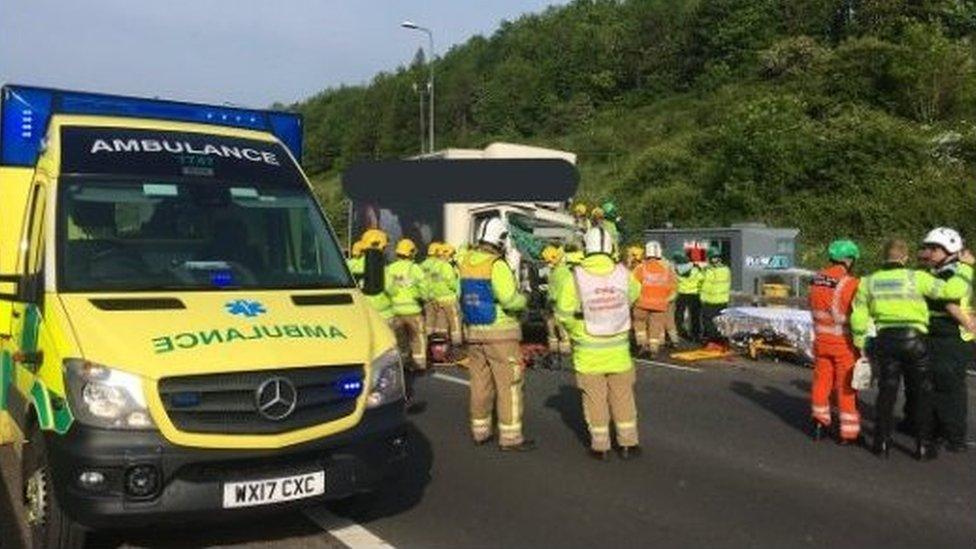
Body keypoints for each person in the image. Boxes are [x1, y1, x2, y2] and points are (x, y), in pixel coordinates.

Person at [850, 239, 972, 459]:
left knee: (887, 392)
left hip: (885, 340)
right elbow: (952, 290)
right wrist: (965, 267)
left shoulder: (868, 282)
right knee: (923, 392)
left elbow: (858, 315)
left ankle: (881, 443)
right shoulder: (916, 277)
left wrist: (860, 342)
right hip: (914, 341)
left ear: (883, 257)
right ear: (905, 258)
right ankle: (923, 446)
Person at [556, 226, 641, 460]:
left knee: (595, 401)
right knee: (623, 397)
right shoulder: (623, 273)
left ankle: (601, 446)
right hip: (619, 351)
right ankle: (628, 444)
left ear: (586, 247)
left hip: (588, 353)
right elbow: (634, 293)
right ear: (610, 247)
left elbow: (563, 314)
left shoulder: (575, 276)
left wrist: (578, 331)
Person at [459, 217, 533, 451]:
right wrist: (525, 299)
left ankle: (480, 431)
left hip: (474, 332)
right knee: (509, 385)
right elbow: (509, 299)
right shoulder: (496, 265)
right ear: (500, 239)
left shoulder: (466, 262)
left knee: (480, 383)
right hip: (501, 333)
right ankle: (510, 437)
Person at [919, 228, 975, 453]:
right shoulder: (952, 271)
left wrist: (968, 322)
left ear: (949, 249)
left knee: (947, 389)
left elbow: (950, 302)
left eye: (934, 249)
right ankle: (942, 433)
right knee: (942, 387)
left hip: (947, 337)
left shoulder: (948, 273)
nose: (929, 253)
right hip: (946, 337)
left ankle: (952, 437)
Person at [808, 239, 862, 445]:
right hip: (843, 343)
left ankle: (819, 423)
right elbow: (858, 314)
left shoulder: (816, 279)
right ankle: (848, 433)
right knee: (846, 387)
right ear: (848, 260)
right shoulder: (850, 283)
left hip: (821, 340)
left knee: (821, 383)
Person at [385, 238, 429, 371]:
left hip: (395, 311)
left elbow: (387, 288)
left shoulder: (390, 269)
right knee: (418, 339)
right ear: (411, 253)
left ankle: (403, 363)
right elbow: (424, 287)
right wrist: (423, 298)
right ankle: (419, 364)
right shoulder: (415, 268)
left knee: (400, 340)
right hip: (413, 311)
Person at [631, 241, 677, 357]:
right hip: (660, 305)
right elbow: (673, 289)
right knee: (655, 326)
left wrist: (632, 301)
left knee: (639, 323)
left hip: (641, 303)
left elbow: (632, 286)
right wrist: (666, 300)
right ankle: (654, 348)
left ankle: (642, 344)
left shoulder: (640, 268)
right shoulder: (667, 270)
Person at [427, 242, 464, 347]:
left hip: (437, 299)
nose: (453, 257)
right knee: (455, 324)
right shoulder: (446, 266)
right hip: (449, 299)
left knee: (441, 325)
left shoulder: (434, 266)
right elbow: (452, 283)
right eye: (452, 255)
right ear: (448, 255)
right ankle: (457, 346)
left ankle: (440, 348)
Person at [541, 245, 572, 356]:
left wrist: (549, 302)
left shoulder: (555, 274)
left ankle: (553, 345)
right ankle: (565, 346)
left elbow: (552, 293)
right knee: (563, 325)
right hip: (568, 302)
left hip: (556, 301)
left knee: (550, 320)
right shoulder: (566, 271)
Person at [700, 247, 732, 350]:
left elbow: (706, 284)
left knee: (708, 322)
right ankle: (724, 342)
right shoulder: (726, 269)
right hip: (723, 300)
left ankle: (713, 342)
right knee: (721, 322)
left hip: (711, 300)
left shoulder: (710, 271)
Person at [360, 229, 393, 321]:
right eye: (385, 247)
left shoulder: (350, 265)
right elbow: (391, 289)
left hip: (361, 312)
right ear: (380, 246)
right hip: (383, 314)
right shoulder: (382, 266)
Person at [673, 250, 703, 343]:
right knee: (695, 316)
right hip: (694, 294)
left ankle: (681, 332)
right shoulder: (695, 269)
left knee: (679, 315)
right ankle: (696, 335)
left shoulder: (676, 269)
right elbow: (702, 279)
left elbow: (674, 281)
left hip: (682, 294)